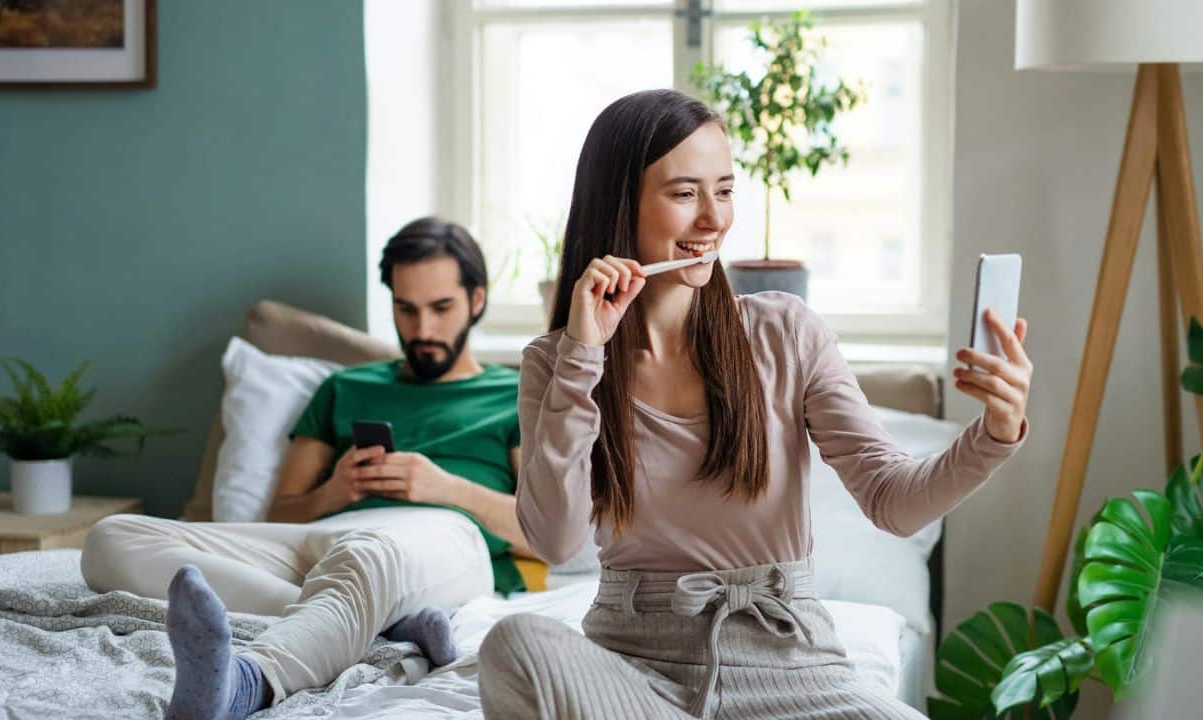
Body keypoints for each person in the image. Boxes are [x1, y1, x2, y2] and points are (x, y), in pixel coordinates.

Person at [476, 89, 1032, 719]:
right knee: (514, 643)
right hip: (636, 677)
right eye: (685, 193)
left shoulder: (784, 332)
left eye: (726, 190)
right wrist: (583, 354)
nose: (714, 219)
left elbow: (894, 502)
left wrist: (994, 433)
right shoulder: (555, 362)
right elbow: (555, 539)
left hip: (793, 672)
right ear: (620, 203)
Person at [81, 217, 532, 720]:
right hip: (325, 538)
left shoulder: (512, 397)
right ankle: (383, 628)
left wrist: (447, 488)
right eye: (406, 309)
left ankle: (247, 681)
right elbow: (283, 511)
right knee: (110, 539)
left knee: (367, 555)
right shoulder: (346, 387)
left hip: (443, 538)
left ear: (476, 300)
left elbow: (542, 536)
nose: (423, 329)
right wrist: (335, 491)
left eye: (440, 308)